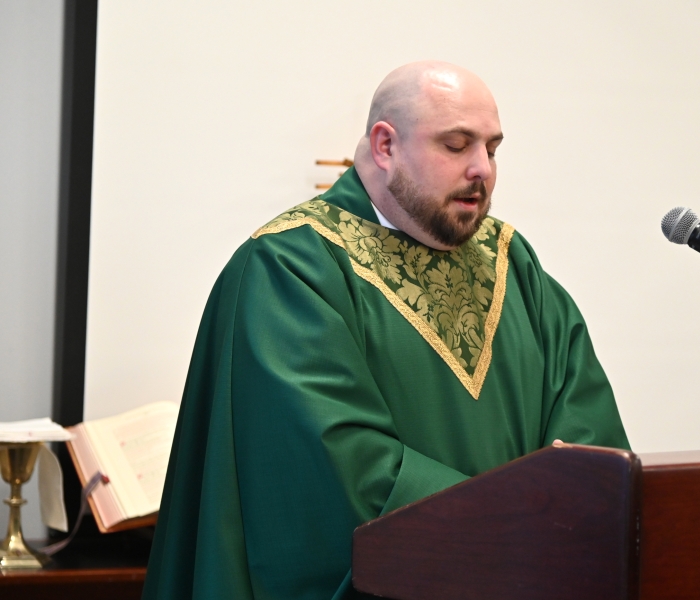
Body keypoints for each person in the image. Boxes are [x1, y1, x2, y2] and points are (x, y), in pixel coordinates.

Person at [142, 61, 629, 600]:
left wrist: (564, 514)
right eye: (456, 145)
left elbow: (586, 437)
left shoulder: (516, 266)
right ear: (384, 146)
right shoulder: (292, 267)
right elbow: (338, 468)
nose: (482, 170)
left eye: (491, 149)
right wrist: (513, 531)